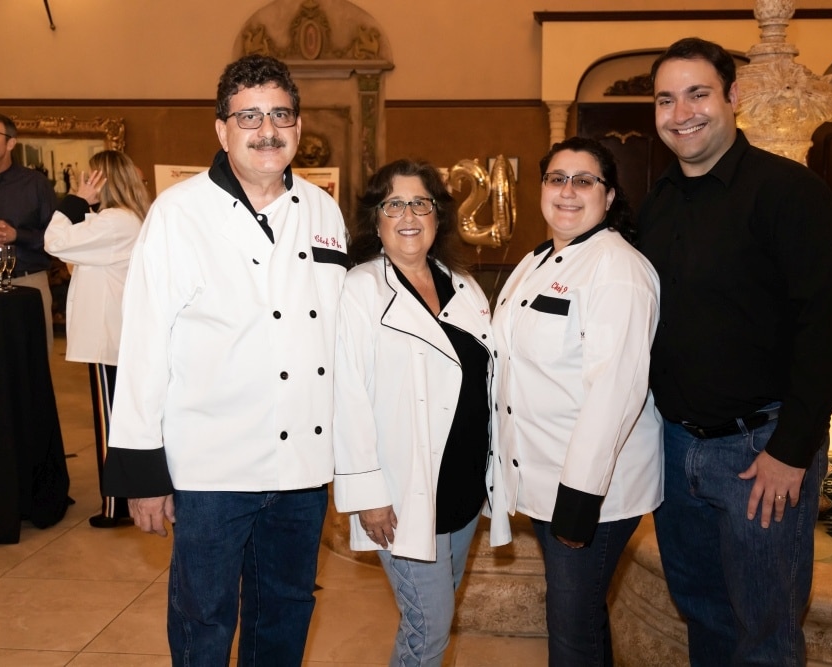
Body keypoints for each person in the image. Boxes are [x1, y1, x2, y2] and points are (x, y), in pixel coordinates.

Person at [102, 54, 349, 665]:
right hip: (211, 465)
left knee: (286, 611)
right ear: (222, 129)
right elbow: (144, 343)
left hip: (302, 467)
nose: (267, 130)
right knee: (204, 621)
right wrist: (143, 472)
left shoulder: (323, 210)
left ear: (298, 125)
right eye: (249, 117)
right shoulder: (178, 212)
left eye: (280, 115)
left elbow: (336, 336)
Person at [634, 37, 832, 666]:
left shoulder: (790, 192)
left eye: (697, 94)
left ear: (732, 96)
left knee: (766, 633)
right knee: (702, 614)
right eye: (666, 100)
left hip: (760, 452)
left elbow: (828, 326)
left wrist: (790, 450)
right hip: (676, 448)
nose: (682, 113)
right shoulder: (658, 200)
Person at [333, 158, 511, 667]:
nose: (408, 215)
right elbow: (347, 395)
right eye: (394, 204)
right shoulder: (361, 288)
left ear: (437, 216)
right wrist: (367, 494)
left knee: (434, 617)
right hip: (403, 491)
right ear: (376, 220)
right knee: (429, 628)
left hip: (462, 489)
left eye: (420, 203)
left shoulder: (463, 285)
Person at [492, 137, 662, 666]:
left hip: (591, 491)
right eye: (556, 179)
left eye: (584, 181)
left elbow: (616, 391)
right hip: (545, 479)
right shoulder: (537, 260)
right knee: (581, 621)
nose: (567, 191)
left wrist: (579, 501)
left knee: (571, 632)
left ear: (608, 197)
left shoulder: (618, 268)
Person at [43, 150, 150, 529]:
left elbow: (54, 242)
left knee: (111, 423)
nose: (83, 182)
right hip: (114, 336)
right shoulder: (120, 219)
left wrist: (74, 201)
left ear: (103, 181)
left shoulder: (116, 221)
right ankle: (122, 499)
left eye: (89, 177)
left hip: (109, 338)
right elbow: (76, 252)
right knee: (118, 420)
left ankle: (116, 505)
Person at [0, 113, 58, 351]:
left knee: (32, 357)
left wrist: (16, 236)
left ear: (11, 142)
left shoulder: (36, 184)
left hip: (28, 282)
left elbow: (58, 238)